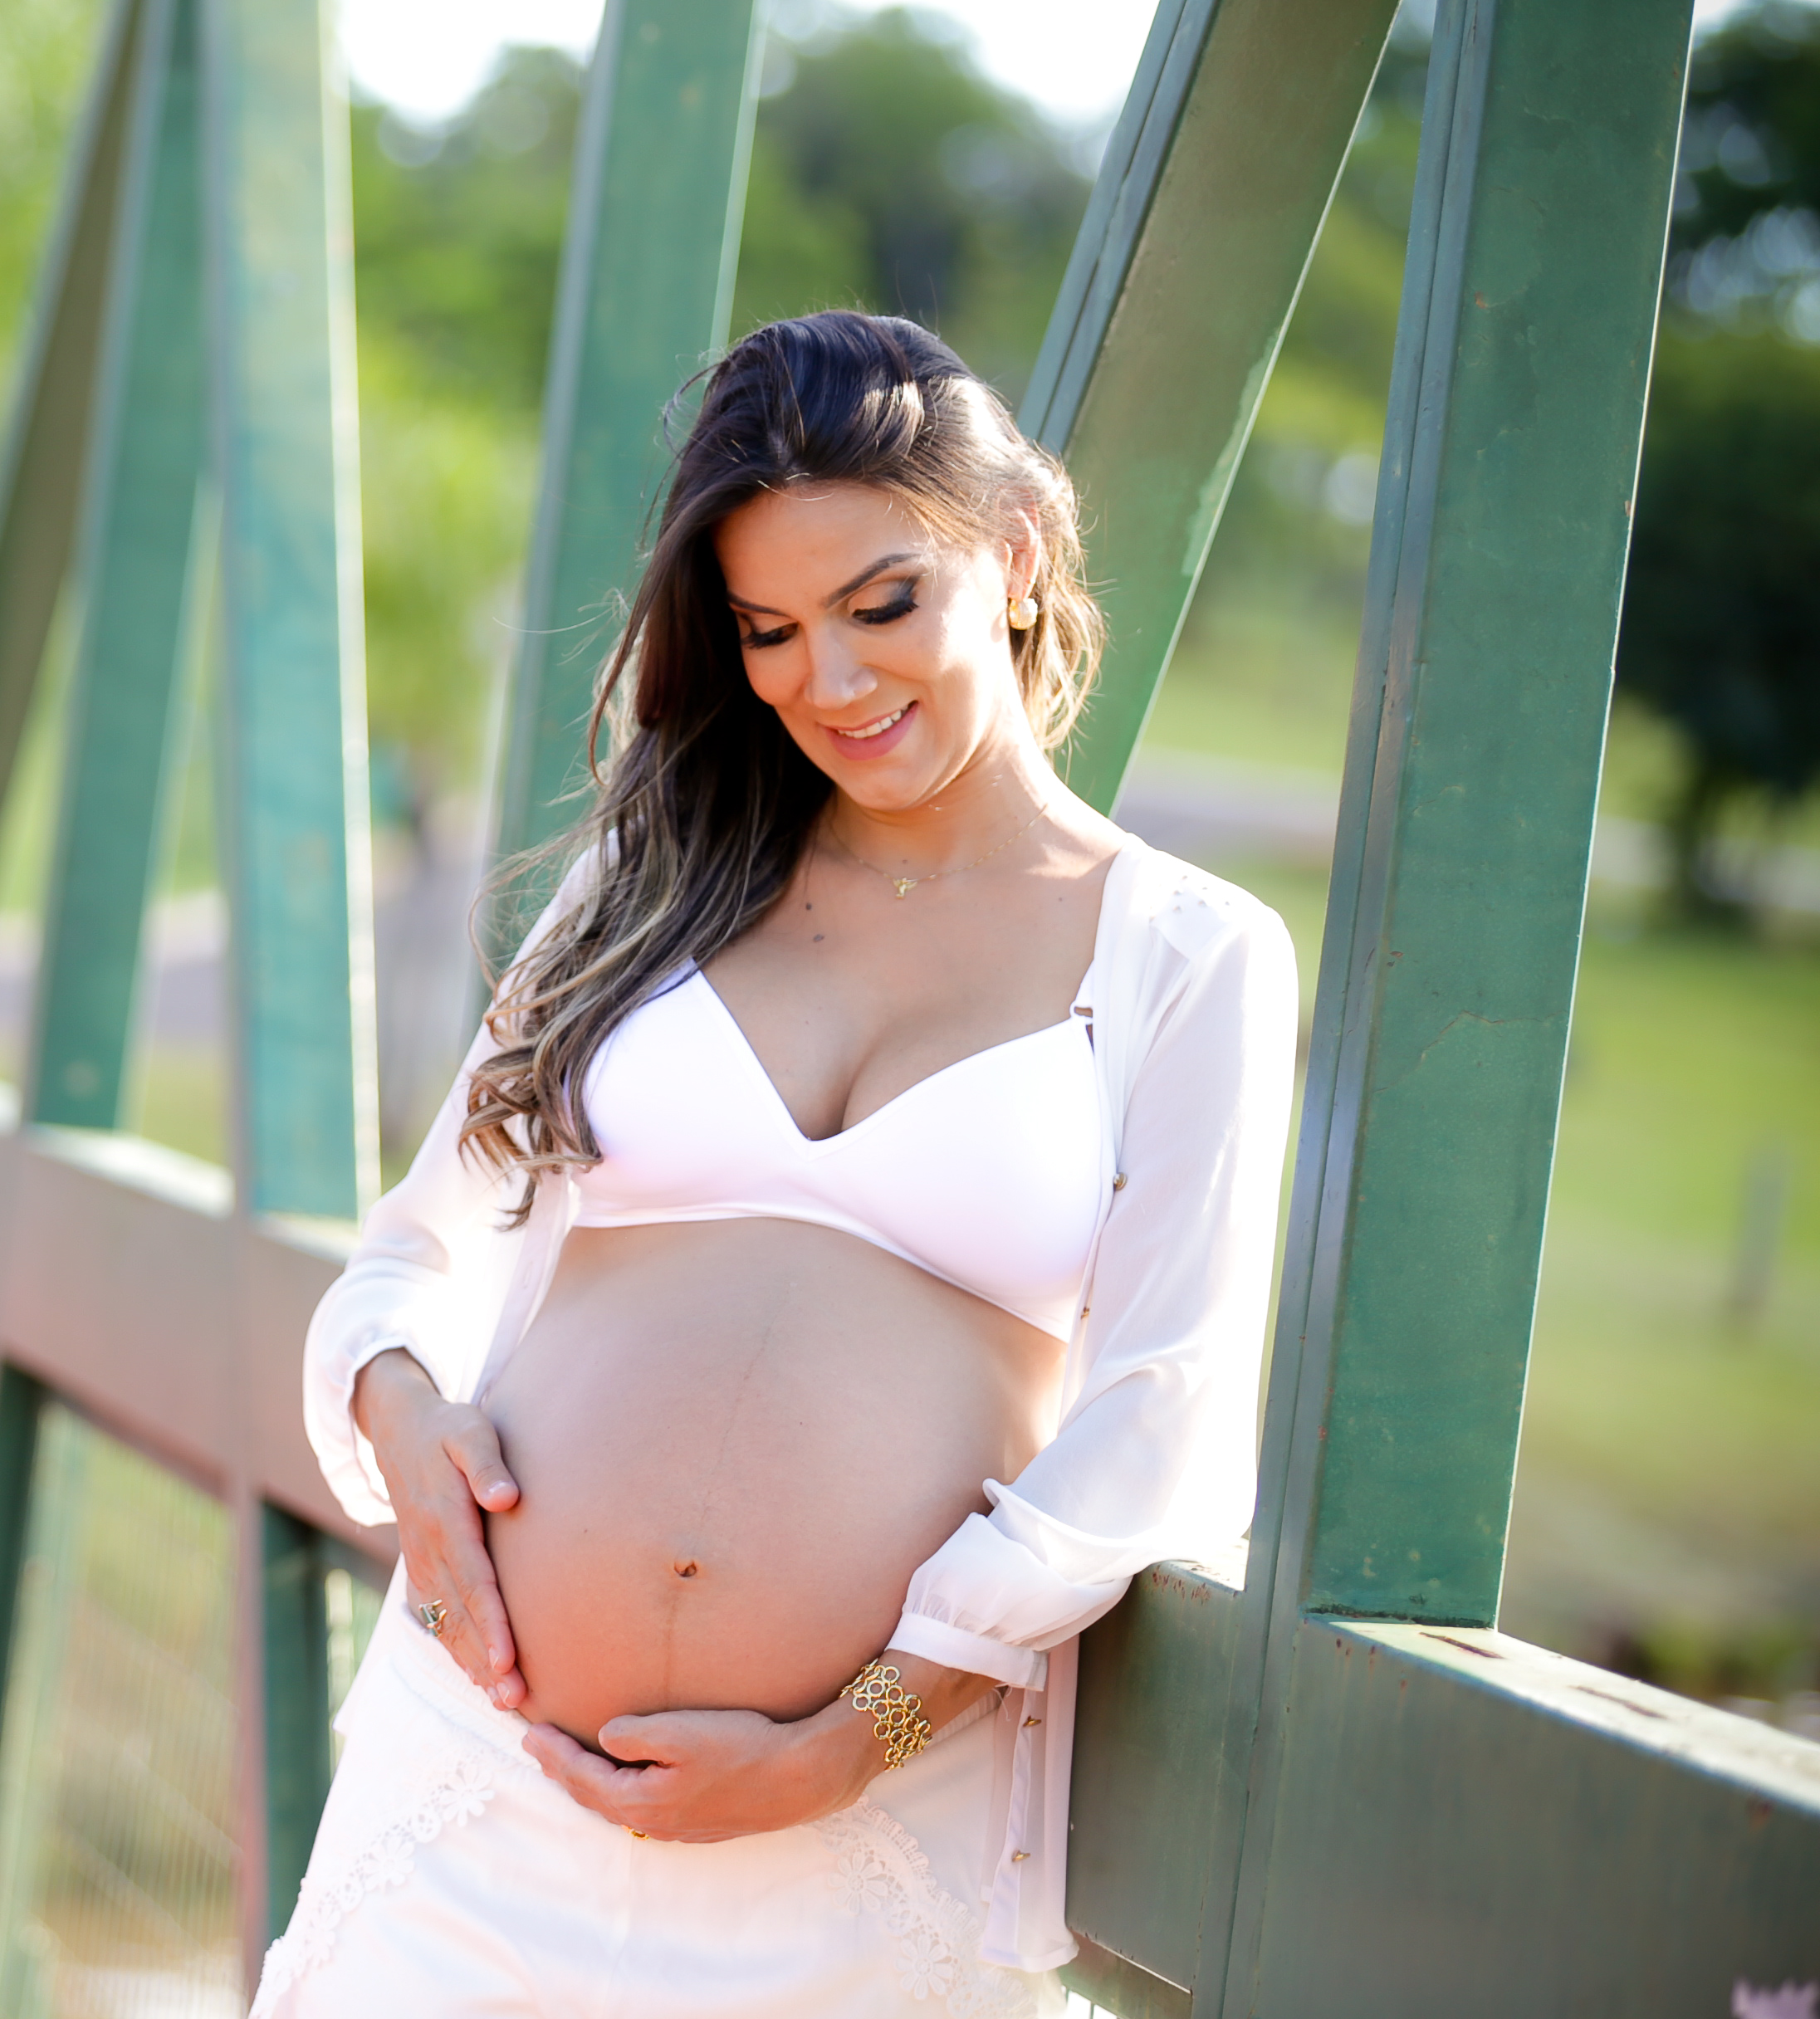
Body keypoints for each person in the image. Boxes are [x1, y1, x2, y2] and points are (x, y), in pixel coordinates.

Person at [256, 311, 1297, 2018]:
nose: (831, 680)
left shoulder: (1192, 954)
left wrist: (856, 1732)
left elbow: (1165, 1415)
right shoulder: (655, 886)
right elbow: (420, 1245)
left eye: (883, 602)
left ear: (1017, 556)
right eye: (770, 630)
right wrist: (400, 1408)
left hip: (862, 1848)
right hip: (476, 1789)